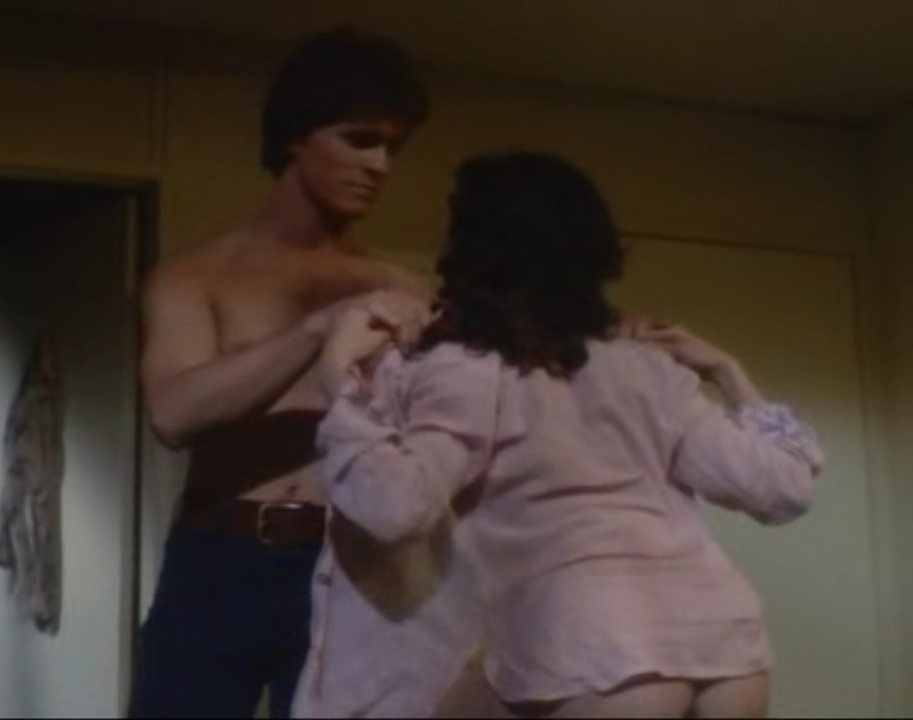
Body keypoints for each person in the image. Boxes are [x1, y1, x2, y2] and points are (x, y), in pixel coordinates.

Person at [296, 150, 825, 718]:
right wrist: (728, 371)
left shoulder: (467, 370)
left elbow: (394, 508)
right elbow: (782, 489)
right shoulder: (648, 371)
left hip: (591, 648)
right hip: (725, 645)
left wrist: (339, 379)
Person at [130, 26, 434, 719]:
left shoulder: (400, 288)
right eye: (359, 140)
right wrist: (316, 329)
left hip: (351, 562)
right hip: (221, 557)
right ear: (297, 137)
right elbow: (172, 413)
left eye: (393, 148)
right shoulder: (195, 276)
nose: (380, 165)